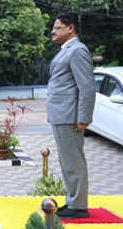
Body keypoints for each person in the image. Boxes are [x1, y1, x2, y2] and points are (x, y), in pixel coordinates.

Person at [47, 12, 95, 220]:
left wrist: (83, 117)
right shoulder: (66, 50)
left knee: (73, 161)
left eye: (58, 27)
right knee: (67, 162)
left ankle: (79, 206)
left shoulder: (77, 50)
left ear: (71, 28)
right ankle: (73, 201)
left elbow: (87, 87)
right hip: (61, 115)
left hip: (69, 116)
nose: (53, 30)